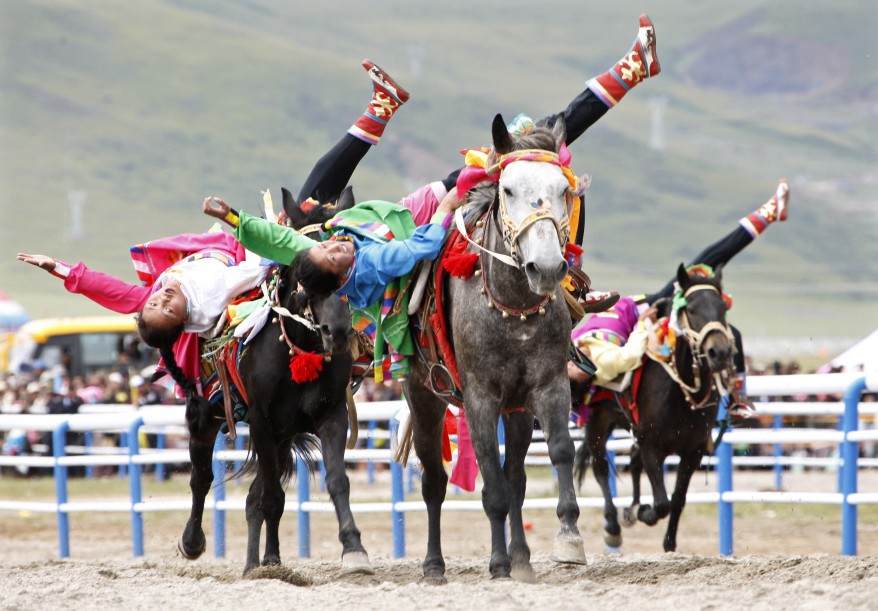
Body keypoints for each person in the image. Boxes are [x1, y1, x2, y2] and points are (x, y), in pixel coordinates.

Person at [14, 59, 410, 404]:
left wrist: (60, 268)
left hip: (247, 247)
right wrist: (269, 233)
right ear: (185, 322)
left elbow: (108, 291)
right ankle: (381, 110)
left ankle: (381, 109)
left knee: (322, 185)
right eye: (169, 310)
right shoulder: (209, 300)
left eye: (154, 305)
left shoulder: (154, 296)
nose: (163, 299)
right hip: (263, 259)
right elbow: (252, 269)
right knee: (318, 189)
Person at [569, 179, 791, 421]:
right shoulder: (602, 364)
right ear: (583, 378)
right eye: (573, 373)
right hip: (641, 312)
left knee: (706, 263)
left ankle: (769, 213)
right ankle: (737, 395)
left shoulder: (568, 352)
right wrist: (643, 322)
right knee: (705, 264)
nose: (569, 368)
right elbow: (630, 356)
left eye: (568, 370)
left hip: (632, 304)